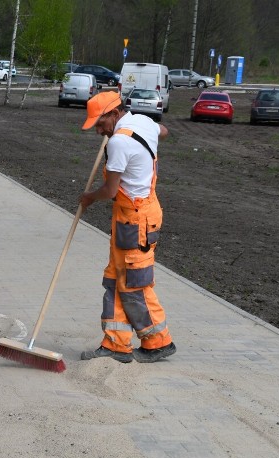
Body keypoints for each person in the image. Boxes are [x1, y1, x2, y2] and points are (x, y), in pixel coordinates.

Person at [78, 91, 176, 363]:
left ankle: (158, 342)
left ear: (113, 114)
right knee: (116, 279)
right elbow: (164, 131)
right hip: (131, 215)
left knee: (134, 284)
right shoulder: (142, 122)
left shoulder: (119, 142)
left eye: (100, 124)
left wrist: (88, 198)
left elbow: (110, 191)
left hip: (136, 218)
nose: (98, 131)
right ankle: (116, 344)